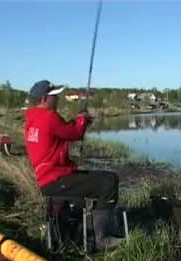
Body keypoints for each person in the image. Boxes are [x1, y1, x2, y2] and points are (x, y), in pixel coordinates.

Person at [23, 80, 123, 250]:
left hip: (49, 179)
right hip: (57, 179)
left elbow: (62, 130)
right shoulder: (48, 117)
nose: (58, 99)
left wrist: (80, 121)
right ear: (44, 99)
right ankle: (102, 239)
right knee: (109, 181)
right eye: (55, 96)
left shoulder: (32, 120)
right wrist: (82, 121)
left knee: (103, 179)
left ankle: (90, 226)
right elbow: (74, 133)